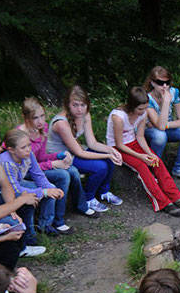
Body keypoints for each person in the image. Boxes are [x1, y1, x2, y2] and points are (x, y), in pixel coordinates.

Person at [107, 86, 180, 216]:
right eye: (140, 109)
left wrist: (149, 154)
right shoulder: (118, 117)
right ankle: (163, 202)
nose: (143, 112)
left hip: (134, 143)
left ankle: (176, 197)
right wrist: (141, 157)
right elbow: (119, 144)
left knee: (156, 161)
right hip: (118, 147)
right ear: (131, 106)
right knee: (142, 166)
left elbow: (140, 137)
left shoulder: (143, 113)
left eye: (145, 108)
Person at [47, 85, 124, 214]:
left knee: (110, 158)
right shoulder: (61, 123)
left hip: (75, 150)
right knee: (100, 167)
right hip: (62, 156)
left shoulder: (85, 115)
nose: (79, 109)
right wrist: (107, 155)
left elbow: (92, 143)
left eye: (83, 105)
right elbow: (80, 153)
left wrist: (111, 150)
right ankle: (88, 198)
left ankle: (104, 191)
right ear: (67, 105)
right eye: (75, 105)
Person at [18, 97, 95, 219]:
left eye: (42, 116)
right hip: (23, 173)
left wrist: (60, 155)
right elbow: (27, 167)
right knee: (63, 175)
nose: (40, 121)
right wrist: (52, 164)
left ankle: (81, 206)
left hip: (38, 167)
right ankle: (57, 220)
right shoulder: (21, 136)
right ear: (26, 118)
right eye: (35, 118)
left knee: (73, 170)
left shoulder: (42, 128)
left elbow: (41, 157)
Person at [0, 129, 68, 237]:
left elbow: (37, 174)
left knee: (51, 188)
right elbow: (15, 190)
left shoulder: (28, 154)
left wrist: (49, 188)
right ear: (11, 150)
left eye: (29, 145)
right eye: (23, 147)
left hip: (17, 184)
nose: (28, 149)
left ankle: (45, 225)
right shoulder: (7, 163)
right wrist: (44, 192)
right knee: (31, 197)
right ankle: (30, 234)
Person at [144, 66, 180, 183]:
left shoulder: (174, 92)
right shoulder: (147, 98)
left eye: (167, 82)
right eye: (160, 82)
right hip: (148, 130)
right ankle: (153, 171)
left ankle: (178, 169)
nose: (164, 86)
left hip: (163, 127)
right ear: (152, 82)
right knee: (160, 136)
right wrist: (166, 102)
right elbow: (159, 127)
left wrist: (163, 124)